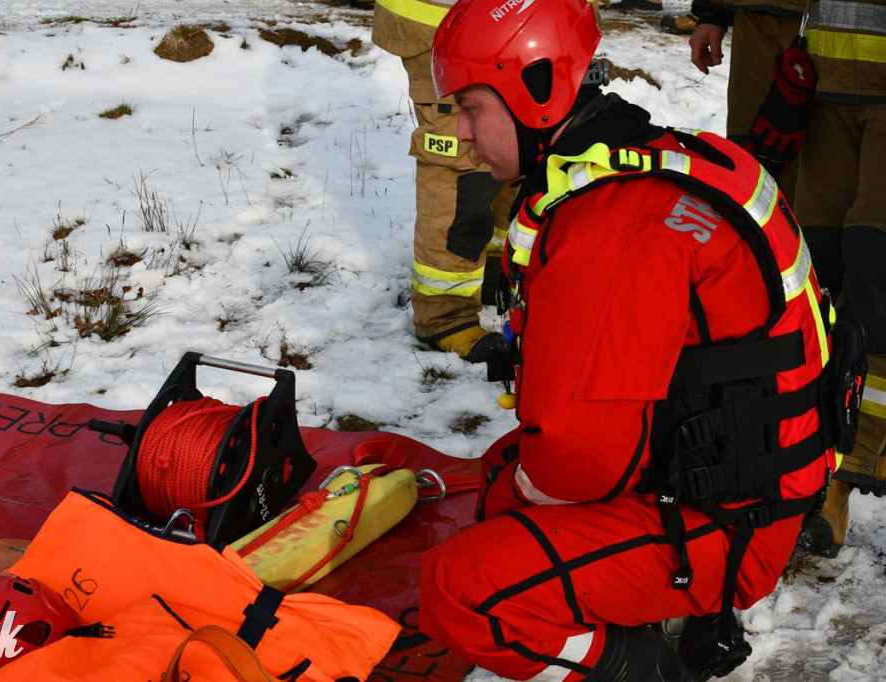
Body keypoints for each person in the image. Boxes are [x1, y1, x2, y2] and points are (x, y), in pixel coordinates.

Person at [418, 0, 842, 679]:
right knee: (502, 479)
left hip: (726, 526)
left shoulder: (613, 224)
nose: (463, 135)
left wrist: (517, 504)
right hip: (746, 486)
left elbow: (581, 464)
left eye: (471, 108)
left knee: (461, 589)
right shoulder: (664, 160)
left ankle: (643, 665)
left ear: (535, 91)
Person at [792, 0, 886, 557]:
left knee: (875, 270)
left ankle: (850, 469)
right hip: (825, 87)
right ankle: (805, 458)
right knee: (814, 272)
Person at [372, 0, 516, 362]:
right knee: (462, 162)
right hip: (447, 22)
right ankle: (444, 315)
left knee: (515, 144)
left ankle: (494, 271)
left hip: (518, 24)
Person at [687, 0, 806, 203]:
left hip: (818, 21)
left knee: (816, 173)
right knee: (747, 156)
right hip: (751, 15)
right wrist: (712, 12)